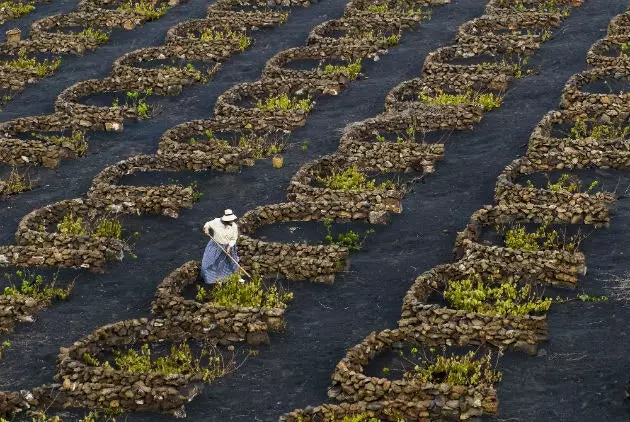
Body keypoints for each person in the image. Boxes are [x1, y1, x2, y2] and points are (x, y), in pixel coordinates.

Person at [201, 209, 241, 284]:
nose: (231, 221)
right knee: (209, 261)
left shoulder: (234, 226)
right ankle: (212, 277)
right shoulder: (216, 221)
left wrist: (229, 247)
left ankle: (226, 277)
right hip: (215, 245)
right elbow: (208, 224)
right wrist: (206, 228)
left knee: (226, 262)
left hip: (228, 247)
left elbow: (234, 238)